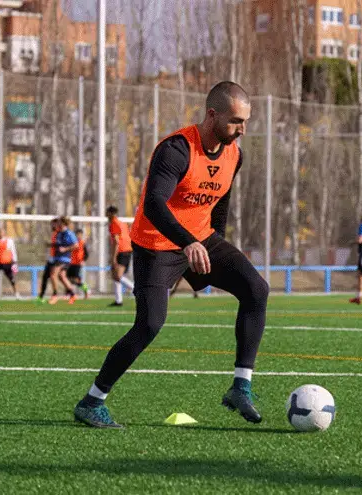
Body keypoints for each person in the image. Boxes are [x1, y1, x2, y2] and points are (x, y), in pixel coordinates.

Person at [74, 81, 268, 429]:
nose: (242, 130)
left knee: (257, 289)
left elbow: (220, 201)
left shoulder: (235, 154)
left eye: (246, 122)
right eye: (236, 121)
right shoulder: (176, 149)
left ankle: (241, 386)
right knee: (149, 324)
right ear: (212, 115)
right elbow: (153, 205)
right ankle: (92, 402)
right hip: (155, 244)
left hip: (201, 239)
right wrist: (186, 243)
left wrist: (211, 249)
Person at [106, 206, 135, 307]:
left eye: (107, 213)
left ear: (110, 213)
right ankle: (118, 300)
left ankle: (136, 290)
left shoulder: (114, 223)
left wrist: (113, 258)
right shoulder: (122, 223)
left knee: (118, 276)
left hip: (122, 251)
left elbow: (116, 242)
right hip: (127, 249)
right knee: (115, 276)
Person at [48, 217, 79, 305]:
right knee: (62, 276)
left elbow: (76, 245)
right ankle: (73, 295)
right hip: (58, 258)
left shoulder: (69, 233)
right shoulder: (59, 233)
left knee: (53, 275)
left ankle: (55, 295)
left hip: (64, 258)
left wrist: (66, 249)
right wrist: (51, 245)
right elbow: (59, 245)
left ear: (63, 223)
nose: (57, 224)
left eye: (59, 223)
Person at [36, 219, 59, 304]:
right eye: (51, 224)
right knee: (45, 277)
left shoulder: (59, 234)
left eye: (53, 224)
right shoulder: (54, 234)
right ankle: (41, 296)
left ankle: (56, 295)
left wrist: (50, 244)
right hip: (51, 259)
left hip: (57, 259)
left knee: (54, 276)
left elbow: (59, 245)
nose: (52, 226)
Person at [67, 228, 90, 299]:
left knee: (75, 280)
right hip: (71, 263)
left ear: (81, 235)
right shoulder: (73, 243)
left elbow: (86, 254)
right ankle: (70, 294)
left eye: (80, 235)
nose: (78, 236)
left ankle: (86, 290)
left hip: (78, 263)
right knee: (68, 278)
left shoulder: (82, 243)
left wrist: (83, 260)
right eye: (77, 234)